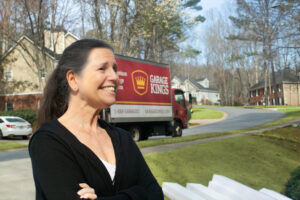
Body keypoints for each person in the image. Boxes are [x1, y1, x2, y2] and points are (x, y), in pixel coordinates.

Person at [29, 39, 164, 200]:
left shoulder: (123, 138)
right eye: (102, 68)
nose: (115, 77)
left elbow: (155, 194)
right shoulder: (48, 142)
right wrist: (138, 194)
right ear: (73, 79)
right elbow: (146, 193)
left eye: (114, 69)